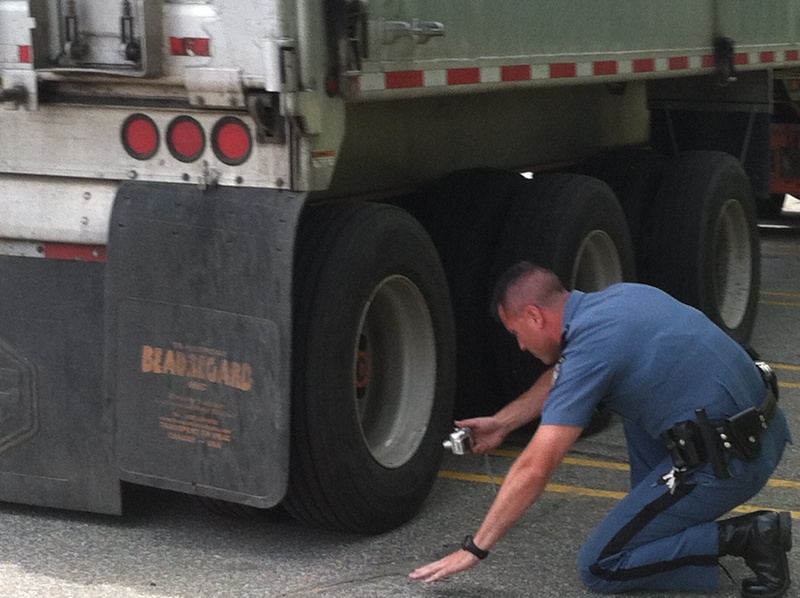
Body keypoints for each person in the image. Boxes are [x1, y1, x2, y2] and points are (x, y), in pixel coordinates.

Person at [410, 261, 793, 596]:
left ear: (534, 315)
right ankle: (664, 528)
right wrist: (503, 423)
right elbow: (565, 377)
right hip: (762, 432)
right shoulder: (620, 300)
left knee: (603, 564)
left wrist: (475, 548)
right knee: (626, 398)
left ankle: (750, 536)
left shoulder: (592, 349)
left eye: (516, 334)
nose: (521, 347)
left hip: (732, 463)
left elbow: (535, 467)